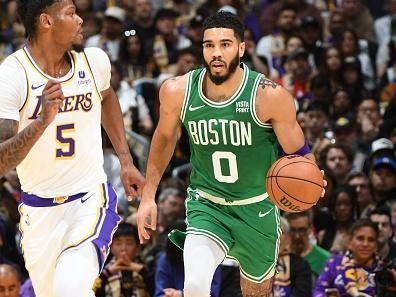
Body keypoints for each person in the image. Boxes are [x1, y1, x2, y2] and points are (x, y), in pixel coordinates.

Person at [137, 11, 324, 297]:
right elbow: (162, 141)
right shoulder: (178, 91)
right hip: (207, 205)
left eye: (225, 44)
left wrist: (312, 177)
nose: (216, 53)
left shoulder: (269, 96)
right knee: (196, 285)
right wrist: (148, 196)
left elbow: (299, 152)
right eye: (208, 45)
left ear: (241, 48)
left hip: (257, 208)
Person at [0, 1, 145, 297]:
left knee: (71, 288)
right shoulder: (13, 75)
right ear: (46, 21)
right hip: (38, 211)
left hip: (90, 198)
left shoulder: (94, 61)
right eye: (70, 13)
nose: (80, 20)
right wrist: (41, 123)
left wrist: (126, 160)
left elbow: (106, 98)